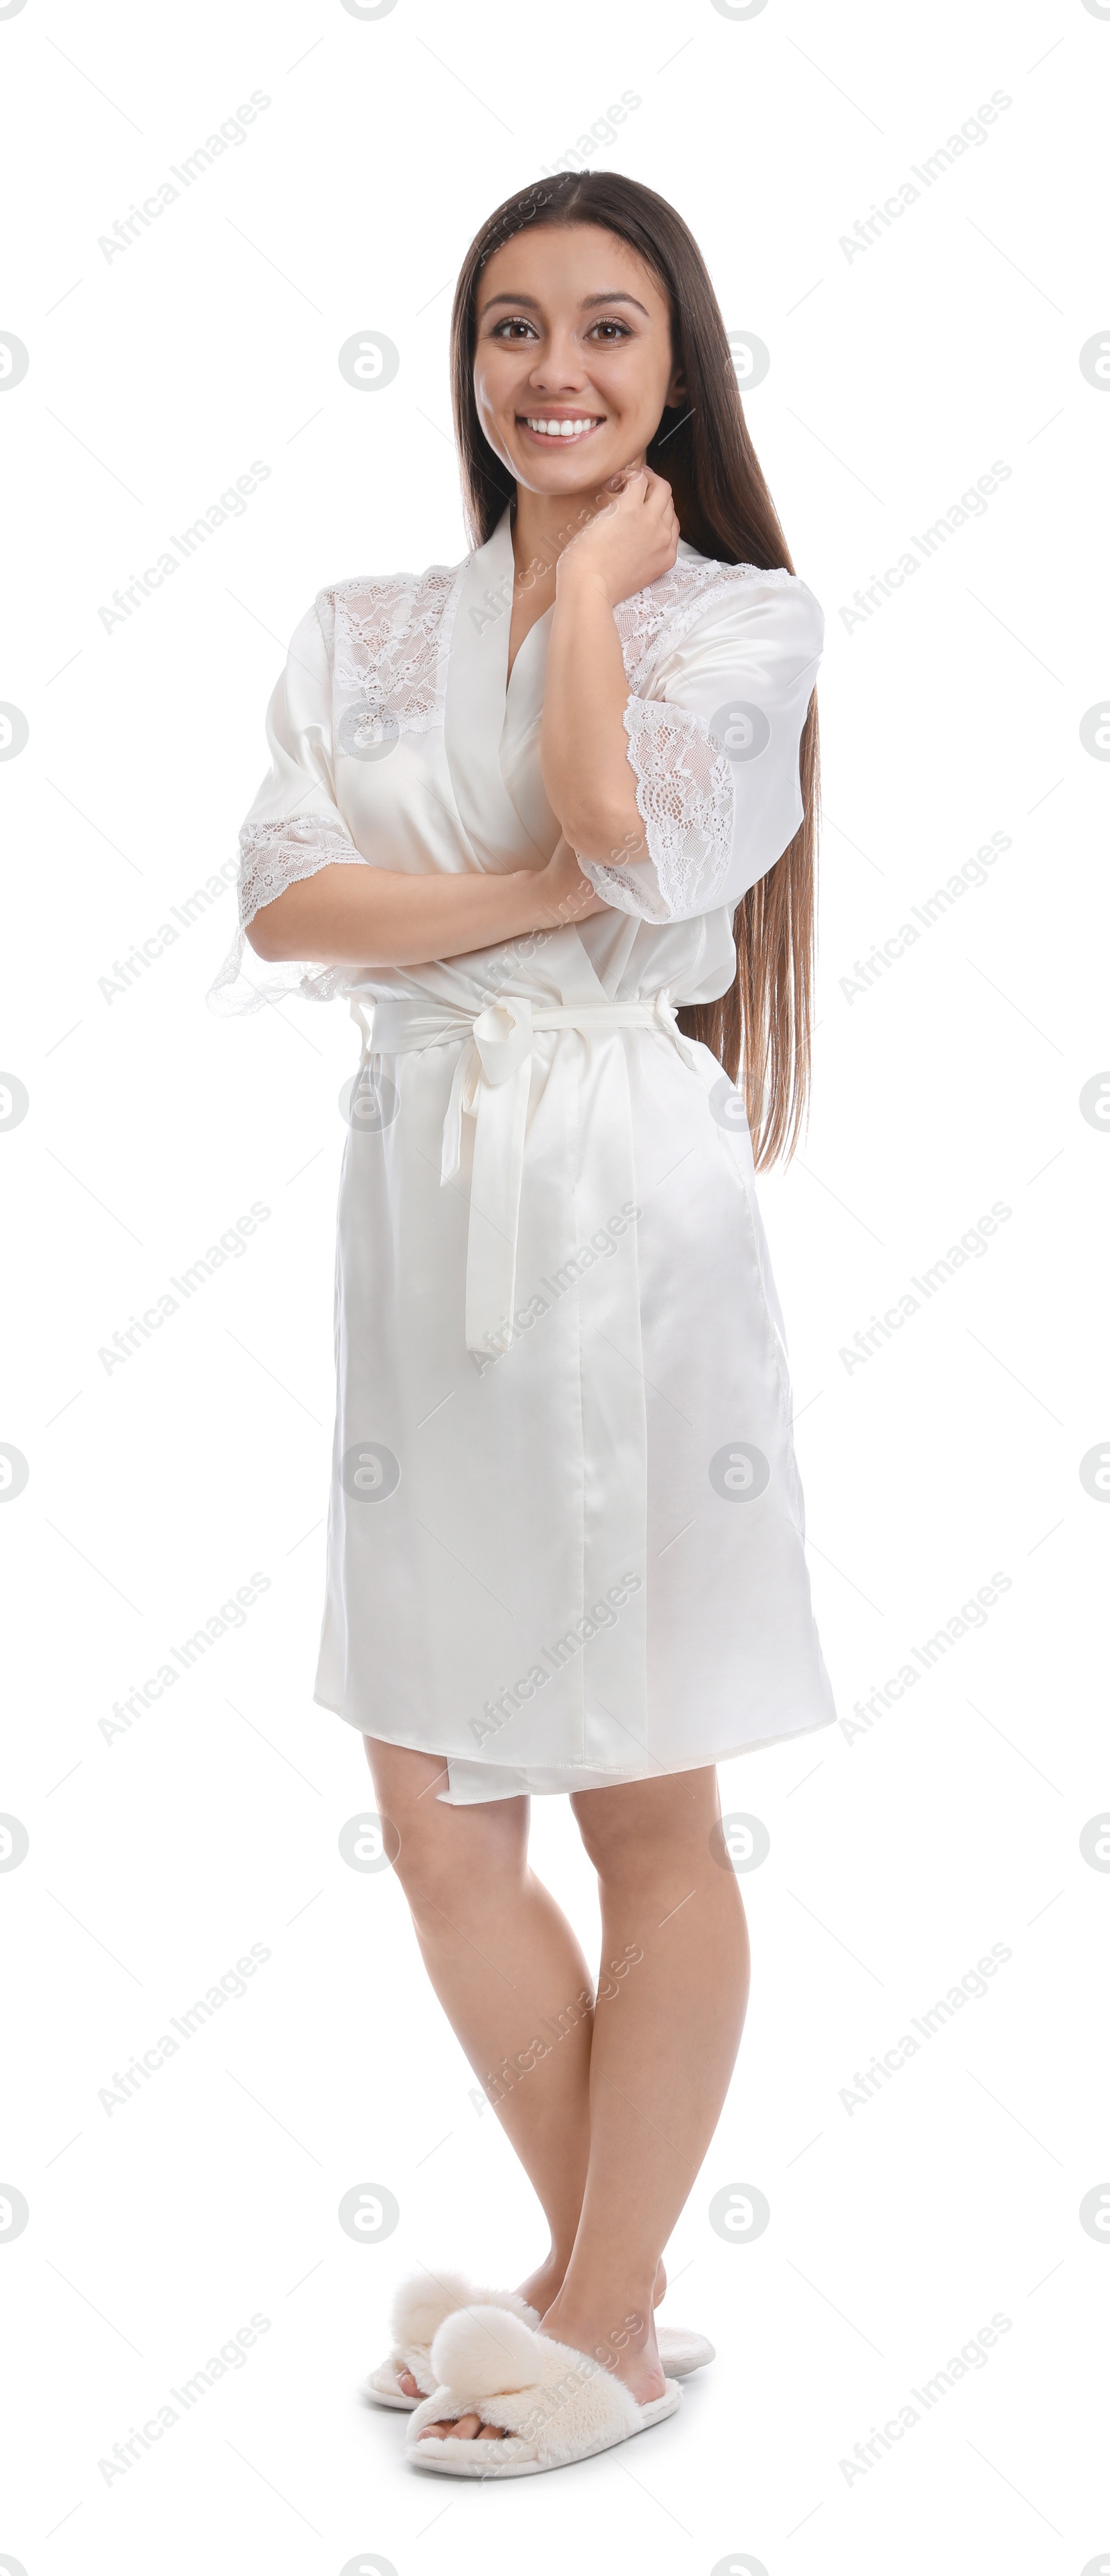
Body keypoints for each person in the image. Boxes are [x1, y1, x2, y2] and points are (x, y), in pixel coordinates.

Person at [209, 170, 837, 2477]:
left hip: (613, 1214)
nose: (551, 371)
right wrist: (496, 910)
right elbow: (289, 897)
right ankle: (606, 2294)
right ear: (467, 363)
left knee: (637, 1786)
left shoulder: (740, 625)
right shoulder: (366, 623)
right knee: (440, 1810)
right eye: (507, 329)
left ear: (679, 368)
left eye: (605, 329)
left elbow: (638, 837)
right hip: (420, 1209)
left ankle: (600, 2302)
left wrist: (589, 596)